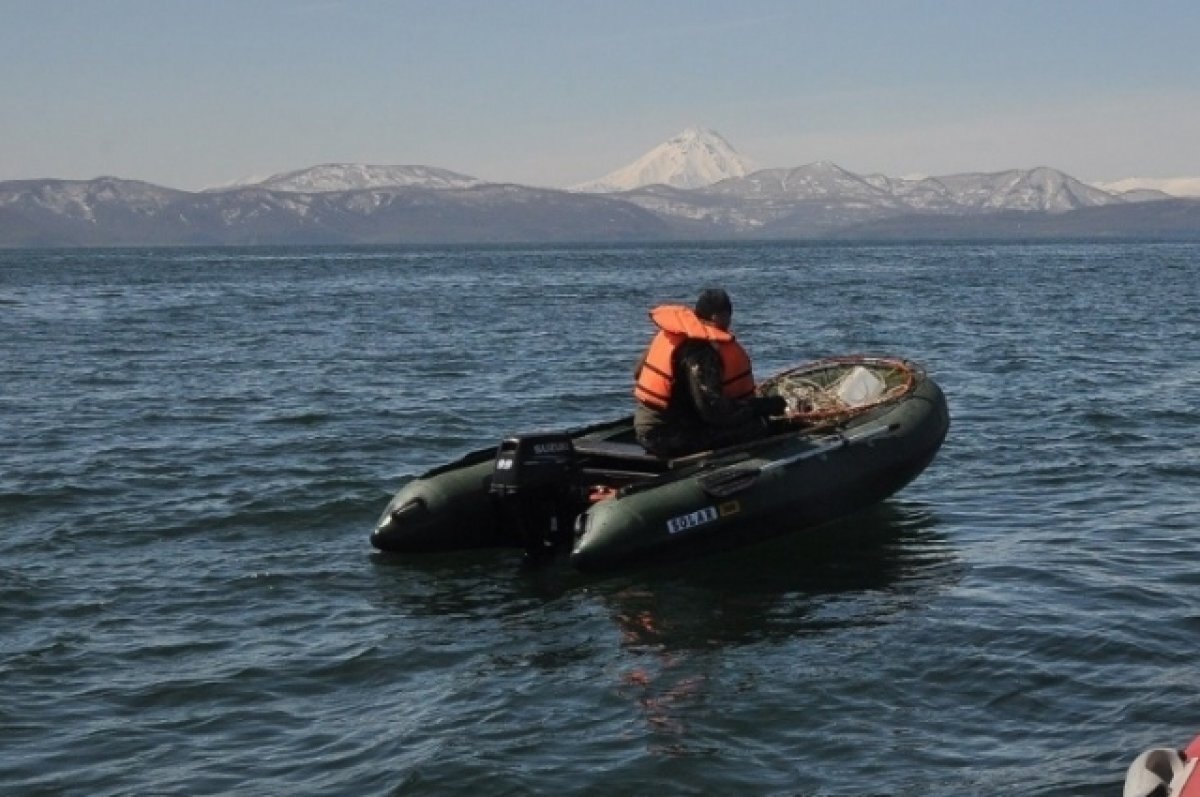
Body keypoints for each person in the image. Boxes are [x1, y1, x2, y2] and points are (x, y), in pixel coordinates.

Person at [633, 288, 786, 458]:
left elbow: (638, 373)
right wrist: (760, 407)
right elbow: (714, 412)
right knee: (756, 427)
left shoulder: (670, 334)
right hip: (666, 436)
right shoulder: (701, 351)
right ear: (717, 317)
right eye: (728, 315)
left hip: (646, 426)